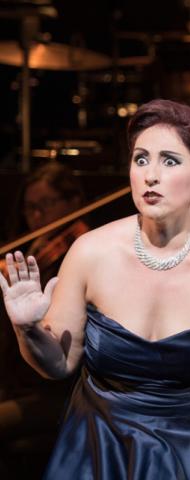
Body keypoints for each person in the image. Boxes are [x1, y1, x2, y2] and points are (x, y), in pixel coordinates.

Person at [0, 99, 190, 478]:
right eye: (141, 159)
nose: (151, 175)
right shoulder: (90, 252)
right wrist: (27, 329)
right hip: (105, 443)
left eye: (169, 161)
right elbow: (58, 365)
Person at [0, 163, 88, 474]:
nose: (36, 216)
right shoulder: (35, 250)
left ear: (73, 202)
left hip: (60, 391)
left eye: (45, 205)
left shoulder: (79, 255)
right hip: (23, 383)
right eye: (30, 207)